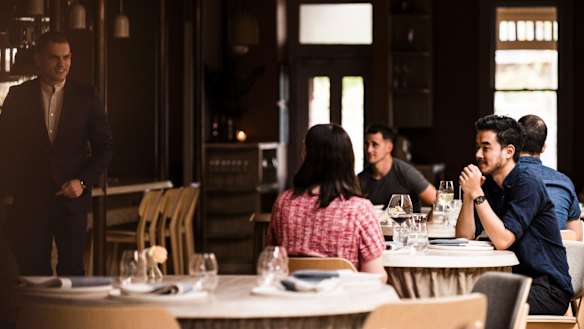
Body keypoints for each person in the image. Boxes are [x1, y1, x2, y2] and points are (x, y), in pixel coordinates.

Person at [0, 31, 113, 276]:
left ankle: (70, 317)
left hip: (71, 203)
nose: (62, 64)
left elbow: (105, 146)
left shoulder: (87, 97)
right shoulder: (18, 97)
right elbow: (5, 146)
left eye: (67, 57)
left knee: (72, 273)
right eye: (54, 58)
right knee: (33, 275)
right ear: (38, 59)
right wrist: (15, 184)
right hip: (30, 203)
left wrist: (82, 182)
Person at [456, 114, 572, 315]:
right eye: (477, 147)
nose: (478, 154)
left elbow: (503, 240)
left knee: (474, 309)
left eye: (486, 147)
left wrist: (476, 192)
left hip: (546, 289)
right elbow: (464, 238)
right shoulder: (490, 185)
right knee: (458, 300)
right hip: (512, 281)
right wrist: (468, 194)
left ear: (509, 151)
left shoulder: (528, 183)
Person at [267, 124, 387, 282]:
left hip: (293, 301)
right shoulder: (360, 209)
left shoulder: (283, 203)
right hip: (344, 303)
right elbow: (374, 278)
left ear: (306, 155)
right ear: (348, 159)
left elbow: (272, 258)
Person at [518, 114, 582, 240]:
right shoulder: (564, 182)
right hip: (556, 258)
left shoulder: (502, 179)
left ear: (515, 144)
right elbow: (576, 240)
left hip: (512, 258)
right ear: (543, 148)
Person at [358, 123, 436, 212]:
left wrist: (428, 224)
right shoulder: (360, 179)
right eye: (366, 144)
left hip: (407, 225)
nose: (369, 150)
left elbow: (438, 201)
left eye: (374, 144)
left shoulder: (406, 172)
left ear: (389, 147)